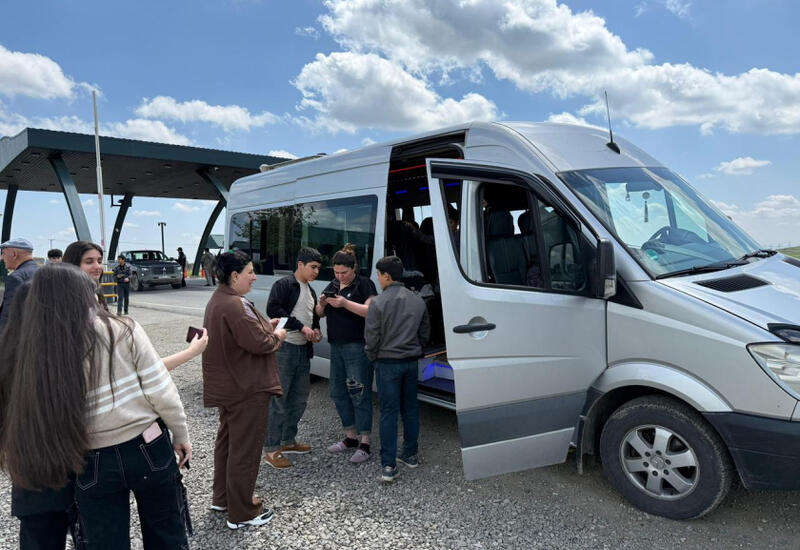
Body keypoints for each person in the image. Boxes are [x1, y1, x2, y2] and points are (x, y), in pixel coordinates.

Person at [0, 263, 192, 549]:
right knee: (166, 530)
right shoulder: (122, 327)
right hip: (148, 444)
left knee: (105, 540)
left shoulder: (46, 345)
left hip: (91, 458)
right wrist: (181, 434)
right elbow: (160, 390)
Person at [202, 250, 286, 529]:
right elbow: (260, 344)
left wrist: (266, 326)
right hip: (246, 387)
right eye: (250, 271)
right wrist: (277, 335)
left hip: (230, 387)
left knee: (227, 444)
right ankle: (243, 512)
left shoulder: (220, 300)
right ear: (235, 275)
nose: (254, 276)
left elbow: (246, 333)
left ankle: (223, 498)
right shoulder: (234, 305)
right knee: (245, 450)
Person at [65, 240, 207, 370]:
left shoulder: (93, 297)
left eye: (100, 261)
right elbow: (147, 369)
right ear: (73, 265)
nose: (97, 266)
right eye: (89, 262)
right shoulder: (79, 306)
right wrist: (191, 352)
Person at [365, 256, 430, 483]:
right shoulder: (418, 300)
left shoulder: (378, 303)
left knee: (388, 413)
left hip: (387, 363)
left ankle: (388, 465)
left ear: (386, 276)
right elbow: (425, 333)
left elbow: (372, 337)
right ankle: (410, 454)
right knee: (410, 408)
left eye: (379, 274)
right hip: (411, 362)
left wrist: (372, 357)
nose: (378, 279)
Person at [316, 244, 377, 463]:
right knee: (338, 391)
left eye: (344, 272)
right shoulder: (333, 284)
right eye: (336, 272)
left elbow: (370, 311)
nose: (340, 276)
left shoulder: (365, 284)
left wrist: (345, 303)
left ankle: (365, 441)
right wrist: (322, 304)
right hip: (336, 345)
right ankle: (350, 436)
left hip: (357, 346)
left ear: (354, 269)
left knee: (359, 392)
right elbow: (319, 313)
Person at [264, 247, 322, 469]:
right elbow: (274, 310)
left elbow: (312, 318)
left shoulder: (311, 290)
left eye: (318, 268)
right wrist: (301, 327)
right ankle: (271, 448)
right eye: (312, 267)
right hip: (284, 349)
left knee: (299, 398)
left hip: (302, 351)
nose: (316, 272)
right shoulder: (284, 285)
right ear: (300, 265)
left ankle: (288, 440)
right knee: (279, 399)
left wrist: (315, 332)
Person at [0, 237, 38, 331]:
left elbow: (9, 316)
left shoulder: (16, 278)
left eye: (3, 253)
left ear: (14, 254)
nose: (1, 258)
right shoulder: (44, 273)